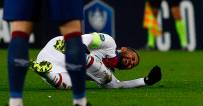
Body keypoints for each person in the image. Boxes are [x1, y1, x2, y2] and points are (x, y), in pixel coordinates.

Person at [30, 33, 162, 89]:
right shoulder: (110, 43)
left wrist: (146, 81)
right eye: (133, 58)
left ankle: (43, 71)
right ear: (124, 49)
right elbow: (90, 37)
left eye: (133, 65)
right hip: (60, 46)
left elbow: (117, 85)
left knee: (67, 85)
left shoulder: (108, 71)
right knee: (105, 76)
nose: (131, 62)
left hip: (51, 63)